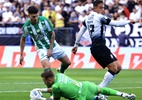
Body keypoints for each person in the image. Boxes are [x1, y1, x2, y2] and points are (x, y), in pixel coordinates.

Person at [72, 0, 135, 88]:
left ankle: (101, 88)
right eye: (100, 7)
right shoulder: (99, 17)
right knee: (113, 68)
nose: (102, 9)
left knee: (118, 67)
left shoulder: (87, 19)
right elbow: (116, 24)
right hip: (99, 46)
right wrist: (128, 21)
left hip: (99, 46)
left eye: (103, 7)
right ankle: (100, 90)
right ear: (95, 8)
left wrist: (76, 45)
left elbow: (80, 32)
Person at [19, 5, 71, 73]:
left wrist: (50, 49)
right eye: (33, 17)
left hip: (53, 45)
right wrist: (21, 54)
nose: (36, 18)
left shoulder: (44, 20)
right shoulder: (26, 27)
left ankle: (61, 72)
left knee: (68, 63)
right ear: (29, 16)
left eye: (37, 16)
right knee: (47, 69)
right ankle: (52, 82)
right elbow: (23, 39)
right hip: (41, 48)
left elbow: (52, 33)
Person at [30, 70, 136, 100]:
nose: (44, 83)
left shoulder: (55, 87)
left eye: (45, 81)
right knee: (101, 89)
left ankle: (97, 99)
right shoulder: (59, 75)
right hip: (85, 85)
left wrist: (41, 99)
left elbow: (55, 98)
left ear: (49, 79)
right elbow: (58, 88)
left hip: (81, 97)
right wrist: (41, 89)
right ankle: (123, 94)